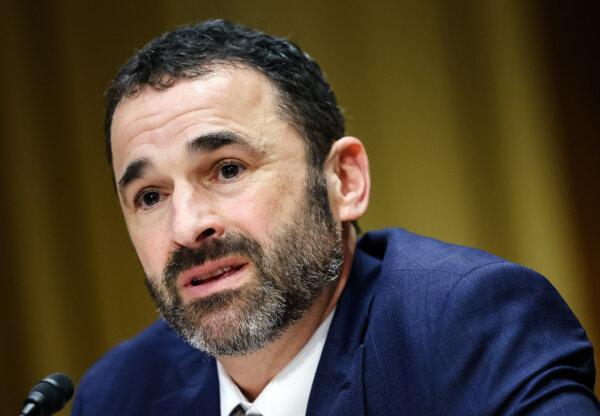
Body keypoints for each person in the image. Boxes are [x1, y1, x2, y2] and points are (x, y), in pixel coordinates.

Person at [73, 19, 600, 415]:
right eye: (149, 197)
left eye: (228, 169)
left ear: (344, 181)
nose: (187, 227)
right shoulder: (119, 394)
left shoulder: (467, 329)